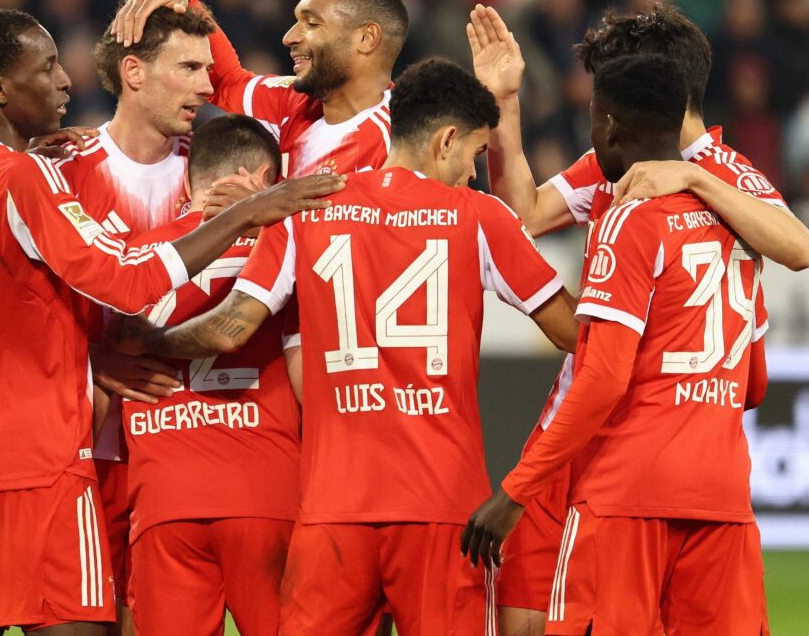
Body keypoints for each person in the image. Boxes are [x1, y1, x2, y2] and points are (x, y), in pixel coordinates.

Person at [0, 7, 342, 634]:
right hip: (53, 457)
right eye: (188, 68)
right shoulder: (49, 173)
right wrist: (246, 214)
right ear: (134, 72)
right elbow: (123, 279)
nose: (65, 80)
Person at [112, 58, 579, 635]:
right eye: (475, 154)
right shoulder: (479, 216)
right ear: (446, 140)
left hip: (333, 510)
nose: (471, 173)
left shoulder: (305, 208)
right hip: (439, 505)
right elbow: (576, 334)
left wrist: (149, 340)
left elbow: (228, 328)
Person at [466, 2, 809, 635]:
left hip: (626, 452)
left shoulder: (723, 174)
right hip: (595, 442)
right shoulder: (615, 160)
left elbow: (800, 247)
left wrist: (695, 179)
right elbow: (527, 213)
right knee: (526, 610)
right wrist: (505, 104)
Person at [63, 5, 218, 632]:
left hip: (190, 447)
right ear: (133, 72)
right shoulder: (63, 171)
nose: (207, 86)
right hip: (92, 449)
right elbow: (20, 308)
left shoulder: (217, 172)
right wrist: (88, 361)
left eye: (208, 69)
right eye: (189, 68)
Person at [121, 114, 302, 636]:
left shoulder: (131, 259)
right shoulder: (286, 247)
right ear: (264, 179)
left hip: (163, 498)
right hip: (265, 490)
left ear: (187, 181)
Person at [111, 0, 408, 180]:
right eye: (297, 22)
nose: (289, 37)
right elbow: (225, 82)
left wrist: (256, 216)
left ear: (366, 38)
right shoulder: (293, 101)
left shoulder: (404, 141)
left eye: (312, 24)